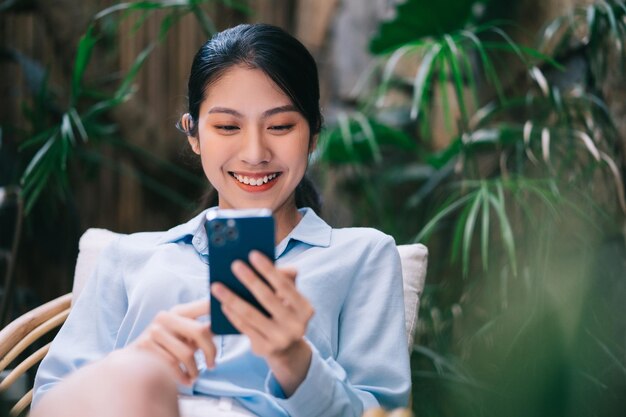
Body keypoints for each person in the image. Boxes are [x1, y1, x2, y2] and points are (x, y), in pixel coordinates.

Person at [31, 23, 410, 417]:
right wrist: (133, 365)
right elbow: (48, 405)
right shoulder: (127, 258)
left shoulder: (363, 255)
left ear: (313, 134)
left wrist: (295, 360)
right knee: (139, 375)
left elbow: (381, 411)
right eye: (228, 126)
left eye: (280, 126)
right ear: (192, 133)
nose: (254, 153)